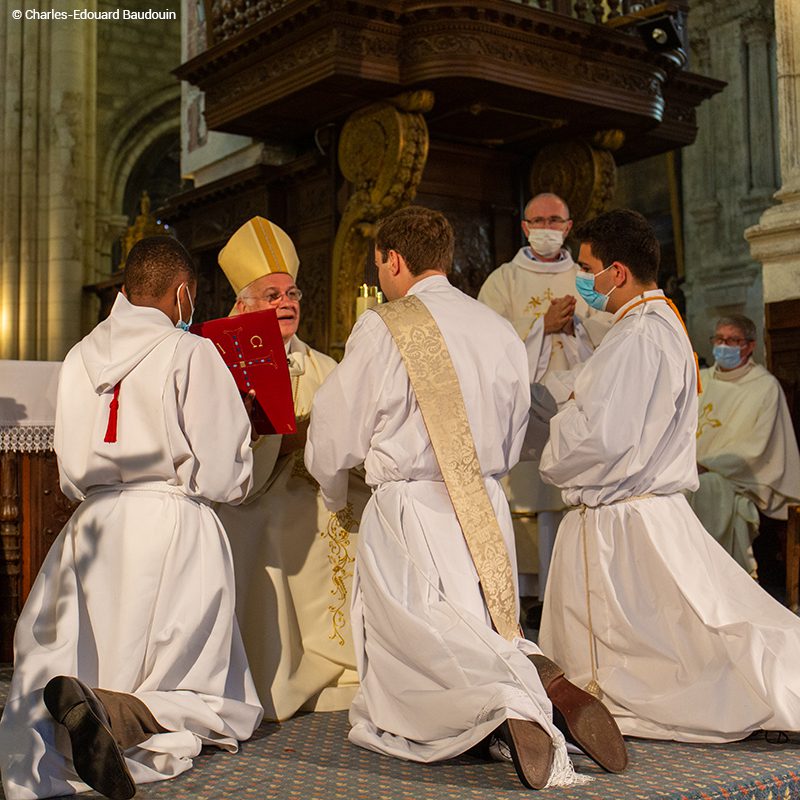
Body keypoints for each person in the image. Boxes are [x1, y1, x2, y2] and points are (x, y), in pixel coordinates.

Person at [305, 205, 626, 790]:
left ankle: (506, 702)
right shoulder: (496, 328)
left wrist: (330, 489)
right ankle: (536, 675)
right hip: (485, 505)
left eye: (380, 266)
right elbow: (521, 424)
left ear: (394, 259)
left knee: (419, 644)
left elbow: (335, 426)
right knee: (480, 622)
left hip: (413, 506)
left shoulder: (386, 324)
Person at [0, 237, 263, 800]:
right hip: (173, 523)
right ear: (183, 295)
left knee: (78, 651)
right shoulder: (190, 352)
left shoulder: (79, 355)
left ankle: (77, 717)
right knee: (196, 688)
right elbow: (221, 475)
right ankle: (122, 717)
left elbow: (69, 470)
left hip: (92, 528)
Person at [538, 209, 800, 743]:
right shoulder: (657, 324)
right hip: (640, 511)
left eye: (587, 268)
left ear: (616, 271)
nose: (582, 281)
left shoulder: (639, 334)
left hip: (624, 520)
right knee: (685, 636)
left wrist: (558, 430)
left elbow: (602, 438)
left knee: (675, 650)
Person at [215, 217, 370, 722]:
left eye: (293, 292)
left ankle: (344, 666)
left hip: (321, 490)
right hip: (251, 497)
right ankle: (279, 674)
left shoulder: (326, 365)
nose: (287, 302)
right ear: (242, 305)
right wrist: (280, 441)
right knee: (274, 525)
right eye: (271, 294)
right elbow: (224, 460)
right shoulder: (218, 362)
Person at [478, 193, 611, 603]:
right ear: (525, 227)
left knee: (567, 506)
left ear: (569, 227)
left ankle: (572, 593)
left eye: (555, 220)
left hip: (579, 404)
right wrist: (540, 325)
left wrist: (578, 330)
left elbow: (613, 328)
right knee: (529, 502)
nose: (547, 228)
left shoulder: (589, 276)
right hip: (525, 410)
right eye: (539, 220)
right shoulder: (503, 280)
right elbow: (485, 340)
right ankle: (527, 599)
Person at [688, 314, 800, 575]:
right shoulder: (701, 380)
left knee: (702, 489)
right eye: (719, 339)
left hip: (737, 478)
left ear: (749, 346)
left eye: (733, 340)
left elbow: (758, 447)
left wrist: (707, 464)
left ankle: (716, 579)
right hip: (690, 468)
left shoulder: (764, 387)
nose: (724, 345)